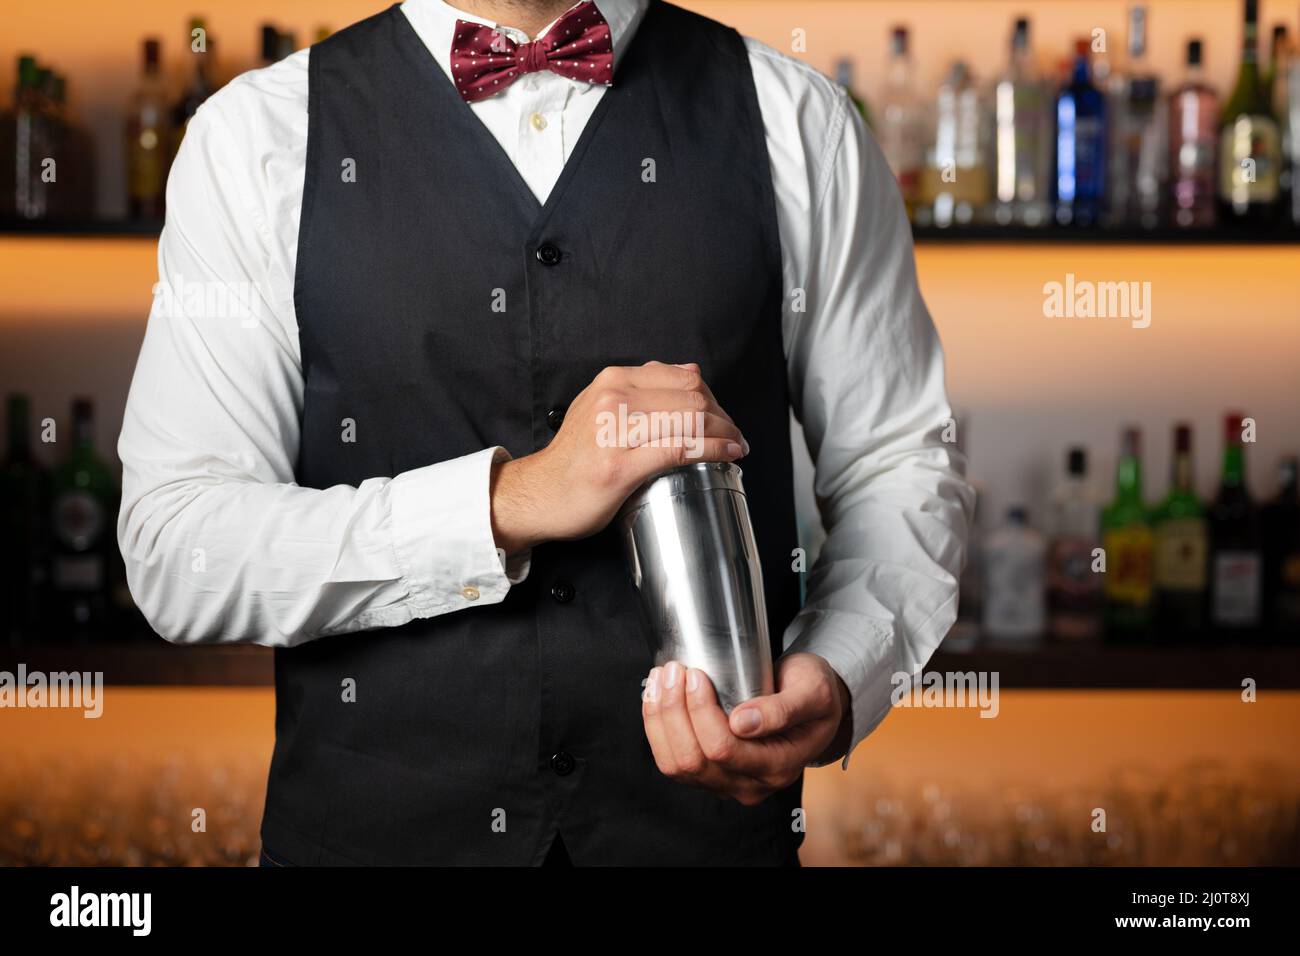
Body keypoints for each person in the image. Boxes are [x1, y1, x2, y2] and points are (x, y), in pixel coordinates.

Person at [118, 0, 973, 865]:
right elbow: (176, 545)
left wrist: (839, 670)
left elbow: (899, 464)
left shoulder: (799, 119)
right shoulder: (252, 139)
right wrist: (509, 500)